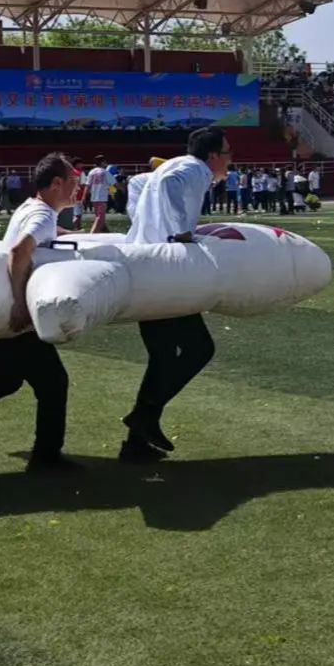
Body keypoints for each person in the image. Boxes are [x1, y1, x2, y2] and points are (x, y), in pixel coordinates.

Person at [0, 153, 77, 471]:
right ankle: (46, 458)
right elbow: (19, 250)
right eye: (73, 181)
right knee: (53, 382)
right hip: (16, 312)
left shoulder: (30, 208)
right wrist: (21, 303)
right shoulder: (43, 216)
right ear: (57, 183)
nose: (77, 188)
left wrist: (71, 235)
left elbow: (37, 237)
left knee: (5, 379)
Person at [119, 127, 228, 462]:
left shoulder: (176, 164)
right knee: (199, 349)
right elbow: (168, 184)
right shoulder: (195, 169)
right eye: (227, 153)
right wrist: (181, 231)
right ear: (213, 155)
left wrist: (140, 222)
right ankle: (144, 416)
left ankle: (137, 440)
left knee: (163, 356)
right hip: (164, 270)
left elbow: (137, 183)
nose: (229, 160)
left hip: (145, 263)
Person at [85, 158, 112, 232]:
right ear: (102, 163)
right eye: (105, 162)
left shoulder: (91, 172)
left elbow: (87, 185)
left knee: (98, 216)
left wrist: (84, 196)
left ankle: (106, 232)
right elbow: (114, 183)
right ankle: (93, 233)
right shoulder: (105, 172)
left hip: (94, 197)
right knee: (100, 217)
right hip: (102, 197)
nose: (106, 164)